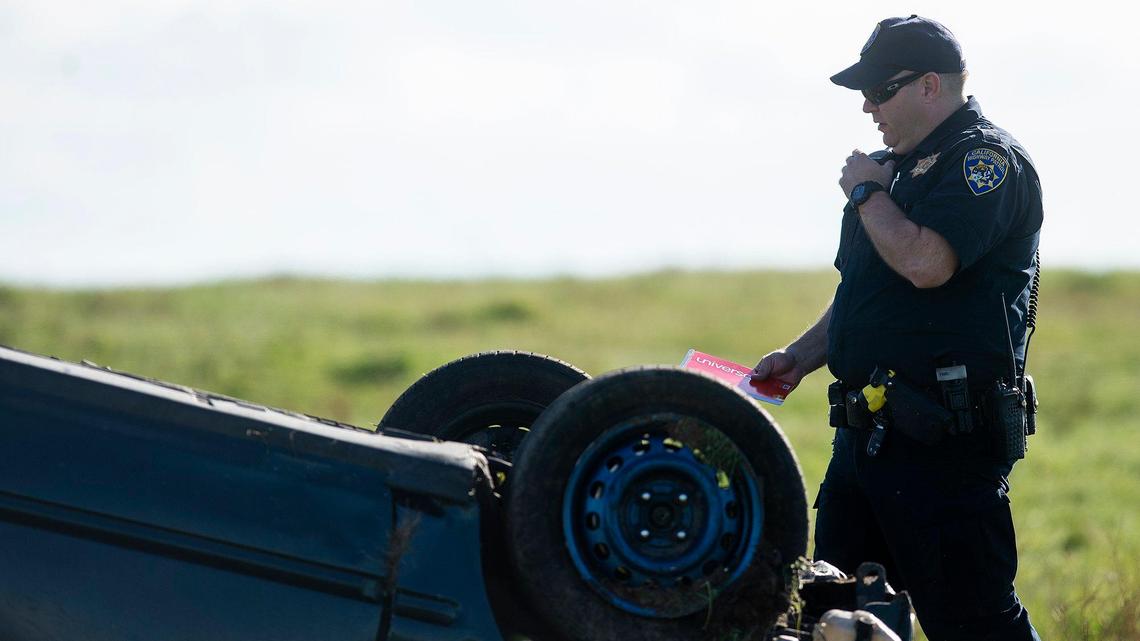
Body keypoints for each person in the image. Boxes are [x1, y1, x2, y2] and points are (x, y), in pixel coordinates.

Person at [749, 16, 1043, 641]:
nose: (867, 106)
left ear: (931, 86)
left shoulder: (984, 161)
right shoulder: (894, 170)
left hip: (942, 448)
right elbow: (865, 295)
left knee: (974, 624)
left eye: (881, 90)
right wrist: (798, 357)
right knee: (829, 619)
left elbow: (924, 263)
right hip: (864, 444)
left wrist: (865, 194)